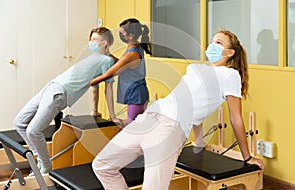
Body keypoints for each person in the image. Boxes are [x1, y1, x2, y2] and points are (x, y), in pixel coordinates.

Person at [92, 29, 264, 190]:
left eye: (219, 42)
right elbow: (193, 102)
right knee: (102, 165)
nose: (212, 45)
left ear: (230, 52)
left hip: (169, 129)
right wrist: (199, 140)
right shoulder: (196, 68)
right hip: (148, 118)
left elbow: (236, 118)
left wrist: (247, 156)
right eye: (212, 41)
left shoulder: (230, 75)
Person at [13, 26, 122, 174]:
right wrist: (94, 110)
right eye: (90, 39)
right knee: (19, 122)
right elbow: (93, 88)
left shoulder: (106, 61)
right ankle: (40, 159)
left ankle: (45, 165)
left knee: (33, 131)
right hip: (50, 86)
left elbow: (107, 89)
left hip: (59, 93)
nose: (91, 42)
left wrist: (113, 115)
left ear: (105, 43)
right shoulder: (91, 58)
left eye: (95, 39)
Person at [90, 18, 152, 125]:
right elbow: (122, 64)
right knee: (132, 124)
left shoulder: (132, 54)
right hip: (136, 94)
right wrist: (109, 55)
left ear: (130, 36)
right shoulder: (134, 47)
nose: (120, 35)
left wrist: (89, 82)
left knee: (132, 127)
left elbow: (110, 73)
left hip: (137, 96)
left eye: (122, 33)